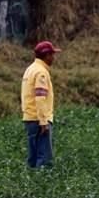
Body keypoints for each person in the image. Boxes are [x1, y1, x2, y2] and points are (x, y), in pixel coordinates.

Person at [21, 40, 61, 168]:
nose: (53, 58)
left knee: (33, 158)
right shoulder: (41, 73)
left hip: (29, 118)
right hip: (39, 120)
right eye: (52, 54)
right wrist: (43, 122)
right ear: (47, 55)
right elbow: (40, 98)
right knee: (44, 158)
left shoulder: (30, 69)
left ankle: (30, 185)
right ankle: (41, 185)